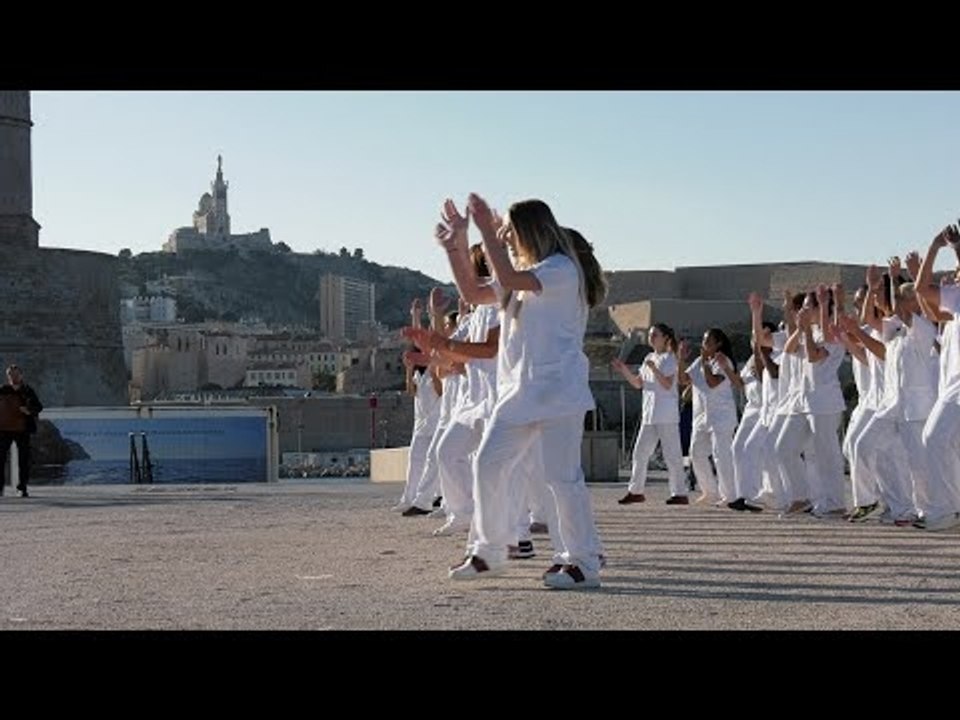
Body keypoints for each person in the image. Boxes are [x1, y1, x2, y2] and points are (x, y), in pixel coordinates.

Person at [0, 364, 43, 497]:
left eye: (16, 374)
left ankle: (22, 488)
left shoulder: (27, 390)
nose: (14, 377)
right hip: (3, 430)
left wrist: (29, 410)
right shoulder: (2, 389)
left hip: (23, 430)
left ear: (21, 375)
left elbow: (39, 407)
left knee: (23, 460)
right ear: (7, 376)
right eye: (11, 374)